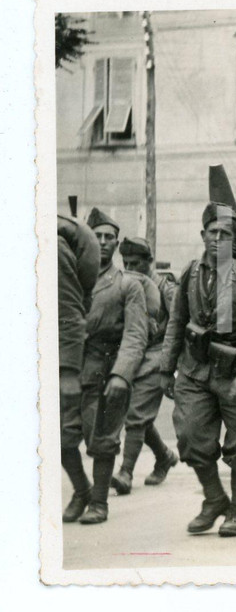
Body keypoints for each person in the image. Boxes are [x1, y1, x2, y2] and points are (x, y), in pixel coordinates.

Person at [160, 165, 236, 536]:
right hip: (195, 370)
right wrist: (166, 368)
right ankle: (213, 498)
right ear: (203, 235)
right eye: (213, 233)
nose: (218, 239)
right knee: (191, 436)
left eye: (226, 234)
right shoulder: (190, 273)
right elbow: (176, 321)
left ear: (234, 239)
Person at [61, 208, 149, 525]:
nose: (102, 241)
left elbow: (136, 334)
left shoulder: (128, 285)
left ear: (116, 243)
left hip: (106, 370)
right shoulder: (69, 279)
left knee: (102, 439)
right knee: (60, 436)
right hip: (71, 366)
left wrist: (122, 374)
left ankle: (99, 502)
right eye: (96, 236)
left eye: (109, 237)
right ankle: (81, 490)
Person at [109, 237, 180, 495]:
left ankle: (126, 472)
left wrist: (173, 365)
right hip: (133, 355)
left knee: (137, 414)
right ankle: (164, 456)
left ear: (149, 261)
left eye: (135, 263)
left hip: (157, 356)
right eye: (126, 263)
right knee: (137, 414)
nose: (129, 268)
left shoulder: (166, 288)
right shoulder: (125, 285)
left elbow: (179, 325)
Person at [57, 214, 101, 522]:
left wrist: (69, 372)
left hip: (59, 356)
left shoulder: (47, 243)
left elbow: (70, 310)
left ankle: (83, 489)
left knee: (61, 433)